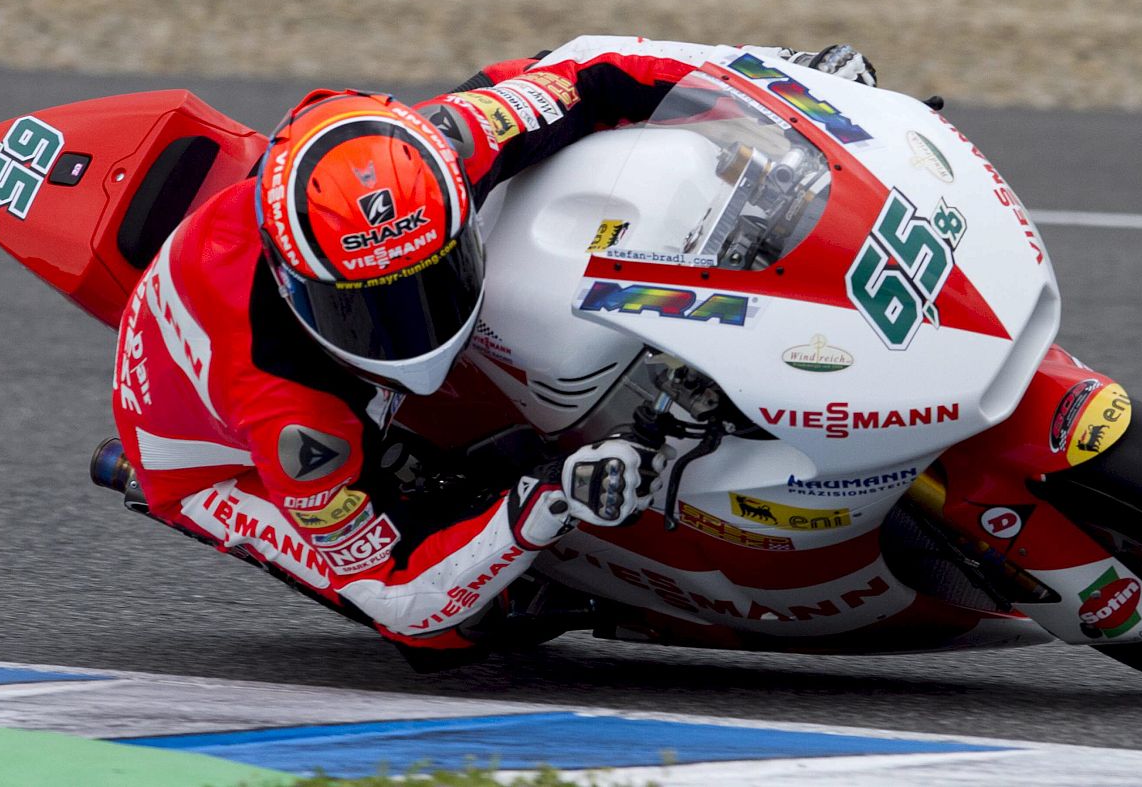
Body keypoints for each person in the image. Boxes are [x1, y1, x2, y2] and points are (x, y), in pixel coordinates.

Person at [97, 36, 876, 665]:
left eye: (430, 284)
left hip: (301, 258)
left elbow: (586, 70)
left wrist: (774, 88)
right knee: (458, 629)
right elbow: (392, 587)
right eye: (371, 312)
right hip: (197, 448)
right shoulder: (290, 410)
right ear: (301, 288)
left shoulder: (443, 148)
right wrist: (548, 501)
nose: (410, 326)